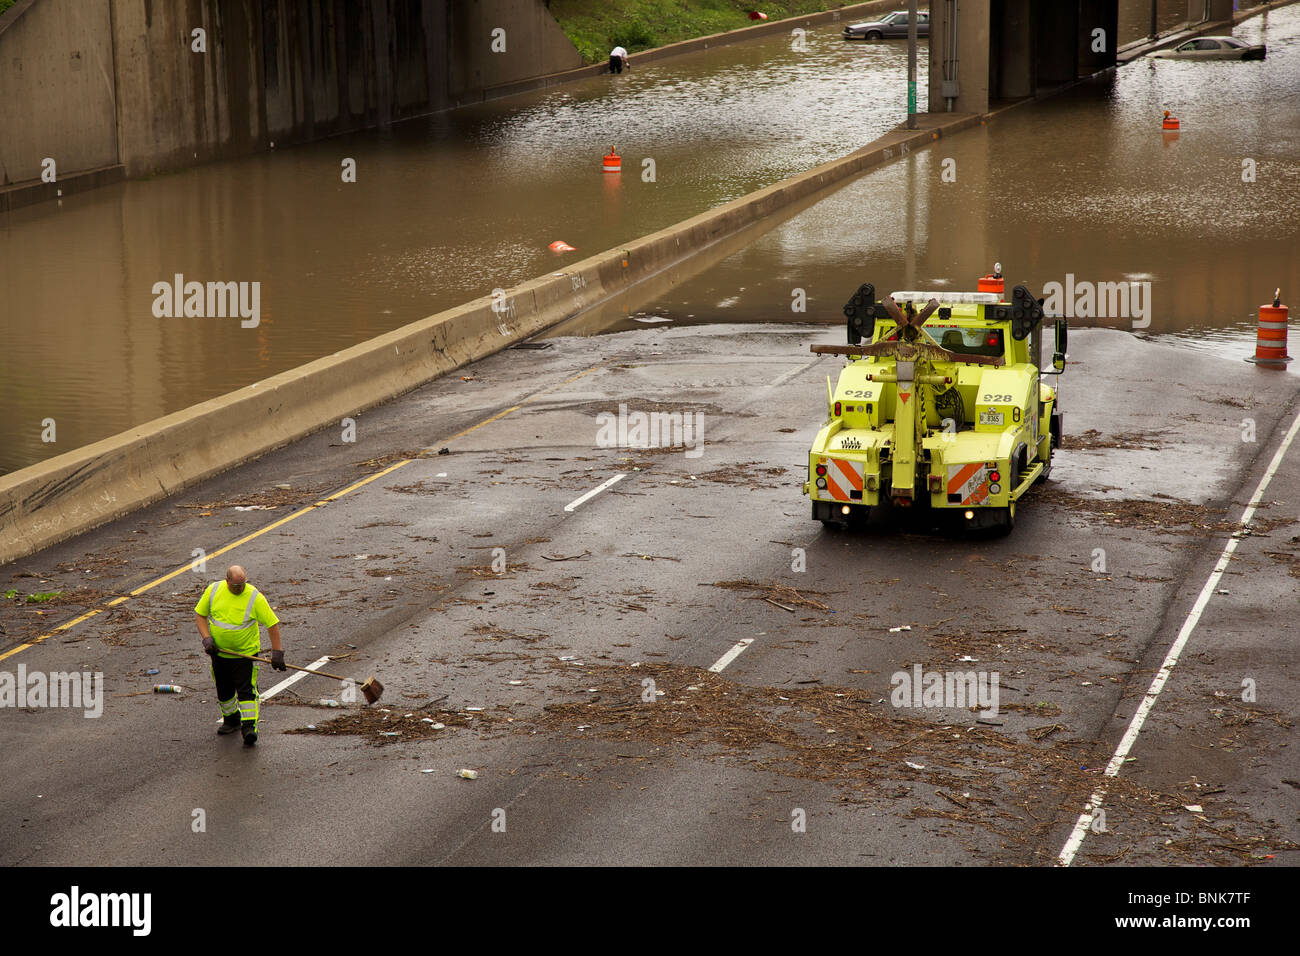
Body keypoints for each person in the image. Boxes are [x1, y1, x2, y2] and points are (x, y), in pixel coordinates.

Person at [194, 565, 285, 746]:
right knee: (224, 689)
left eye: (242, 584)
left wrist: (277, 652)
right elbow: (200, 615)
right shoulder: (213, 590)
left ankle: (249, 727)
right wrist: (207, 639)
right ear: (227, 581)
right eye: (236, 586)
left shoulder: (254, 596)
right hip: (219, 653)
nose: (240, 589)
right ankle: (231, 720)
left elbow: (272, 624)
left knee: (246, 692)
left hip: (246, 656)